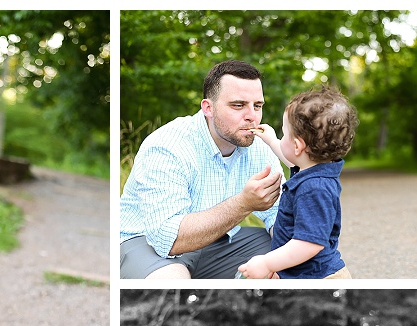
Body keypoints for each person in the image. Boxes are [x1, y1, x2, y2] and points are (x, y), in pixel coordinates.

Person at [120, 60, 285, 279]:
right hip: (148, 244)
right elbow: (168, 240)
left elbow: (280, 216)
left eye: (257, 106)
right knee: (171, 282)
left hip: (220, 245)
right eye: (238, 105)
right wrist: (244, 204)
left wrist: (284, 260)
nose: (251, 116)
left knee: (302, 259)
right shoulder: (168, 145)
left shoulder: (260, 146)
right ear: (208, 108)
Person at [237, 86, 357, 279]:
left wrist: (267, 263)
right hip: (301, 273)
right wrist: (271, 140)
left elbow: (308, 243)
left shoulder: (314, 188)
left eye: (284, 134)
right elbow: (292, 158)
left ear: (297, 145)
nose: (282, 138)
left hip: (319, 278)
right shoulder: (314, 170)